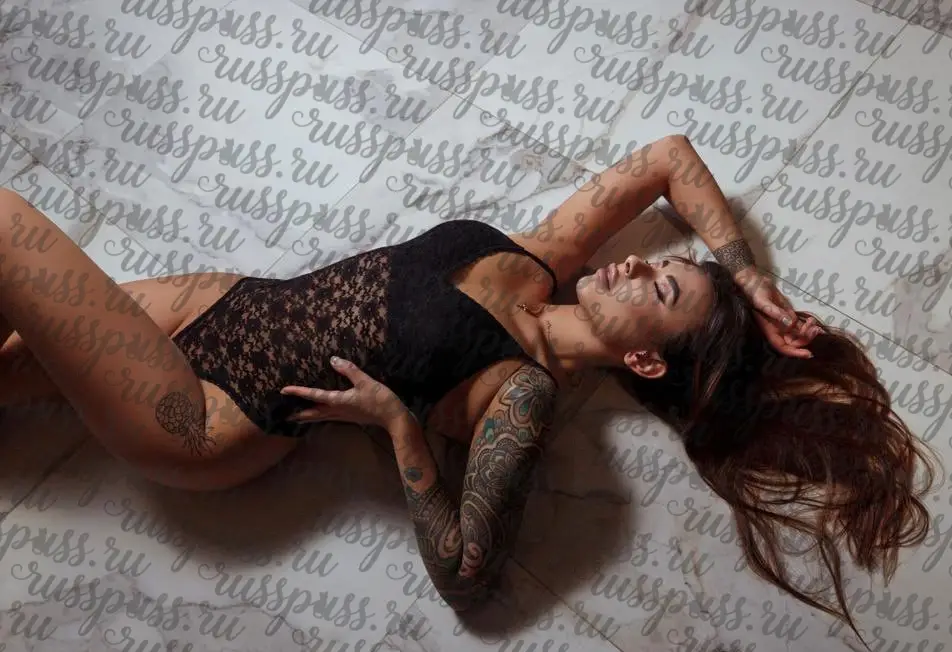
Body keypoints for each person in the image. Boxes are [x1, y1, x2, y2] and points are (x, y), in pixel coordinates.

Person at [0, 135, 935, 644]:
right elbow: (668, 158)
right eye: (661, 265)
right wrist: (743, 272)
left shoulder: (522, 393)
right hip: (219, 303)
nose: (635, 267)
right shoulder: (540, 257)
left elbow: (467, 575)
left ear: (646, 363)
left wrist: (398, 426)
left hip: (210, 418)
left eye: (659, 290)